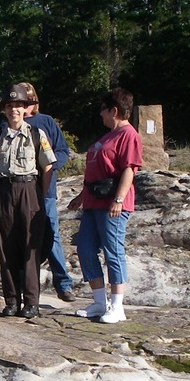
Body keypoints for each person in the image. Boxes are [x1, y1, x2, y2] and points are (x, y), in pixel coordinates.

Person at [67, 87, 143, 324]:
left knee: (113, 251)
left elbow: (129, 169)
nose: (100, 113)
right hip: (92, 202)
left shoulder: (128, 135)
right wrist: (81, 196)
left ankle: (117, 306)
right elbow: (95, 171)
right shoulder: (108, 136)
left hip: (112, 203)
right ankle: (100, 302)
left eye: (103, 109)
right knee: (85, 249)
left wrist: (118, 199)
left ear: (114, 110)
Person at [0, 84, 56, 318]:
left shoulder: (36, 134)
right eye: (10, 106)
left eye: (18, 105)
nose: (14, 110)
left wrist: (39, 195)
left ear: (26, 109)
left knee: (30, 247)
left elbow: (48, 167)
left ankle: (31, 303)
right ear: (4, 109)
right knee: (5, 247)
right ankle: (11, 301)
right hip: (3, 191)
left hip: (29, 190)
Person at [20, 82, 76, 303]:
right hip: (19, 190)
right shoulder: (9, 124)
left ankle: (63, 284)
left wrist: (49, 166)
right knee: (22, 236)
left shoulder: (46, 121)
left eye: (29, 99)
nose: (25, 104)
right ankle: (25, 285)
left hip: (46, 189)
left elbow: (62, 151)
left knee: (51, 234)